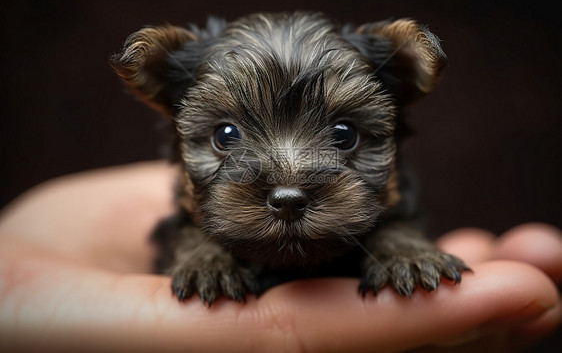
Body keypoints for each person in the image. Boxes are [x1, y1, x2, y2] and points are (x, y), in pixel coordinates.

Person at [0, 161, 560, 352]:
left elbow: (395, 225)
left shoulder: (390, 212)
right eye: (227, 135)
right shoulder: (183, 222)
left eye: (343, 136)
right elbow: (180, 234)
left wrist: (401, 249)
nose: (289, 186)